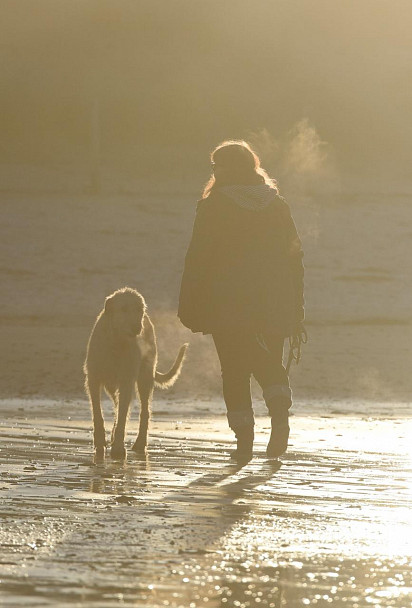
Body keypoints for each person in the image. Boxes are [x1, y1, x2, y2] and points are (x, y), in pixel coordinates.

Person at [178, 140, 305, 462]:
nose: (214, 171)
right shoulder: (278, 205)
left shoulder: (214, 206)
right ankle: (280, 418)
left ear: (223, 169)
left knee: (234, 370)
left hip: (228, 303)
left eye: (215, 166)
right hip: (274, 301)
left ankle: (244, 444)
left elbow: (198, 259)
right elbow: (295, 258)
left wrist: (189, 304)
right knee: (268, 361)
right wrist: (296, 307)